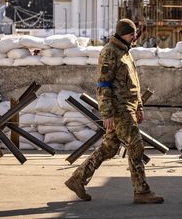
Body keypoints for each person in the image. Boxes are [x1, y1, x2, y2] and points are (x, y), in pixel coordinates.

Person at [65, 18, 164, 204]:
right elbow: (103, 85)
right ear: (123, 33)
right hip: (119, 109)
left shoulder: (125, 51)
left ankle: (77, 179)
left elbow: (133, 83)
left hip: (129, 107)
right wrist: (107, 113)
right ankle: (141, 191)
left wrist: (139, 106)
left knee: (108, 149)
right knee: (136, 145)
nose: (135, 36)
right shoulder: (110, 52)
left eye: (135, 33)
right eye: (131, 33)